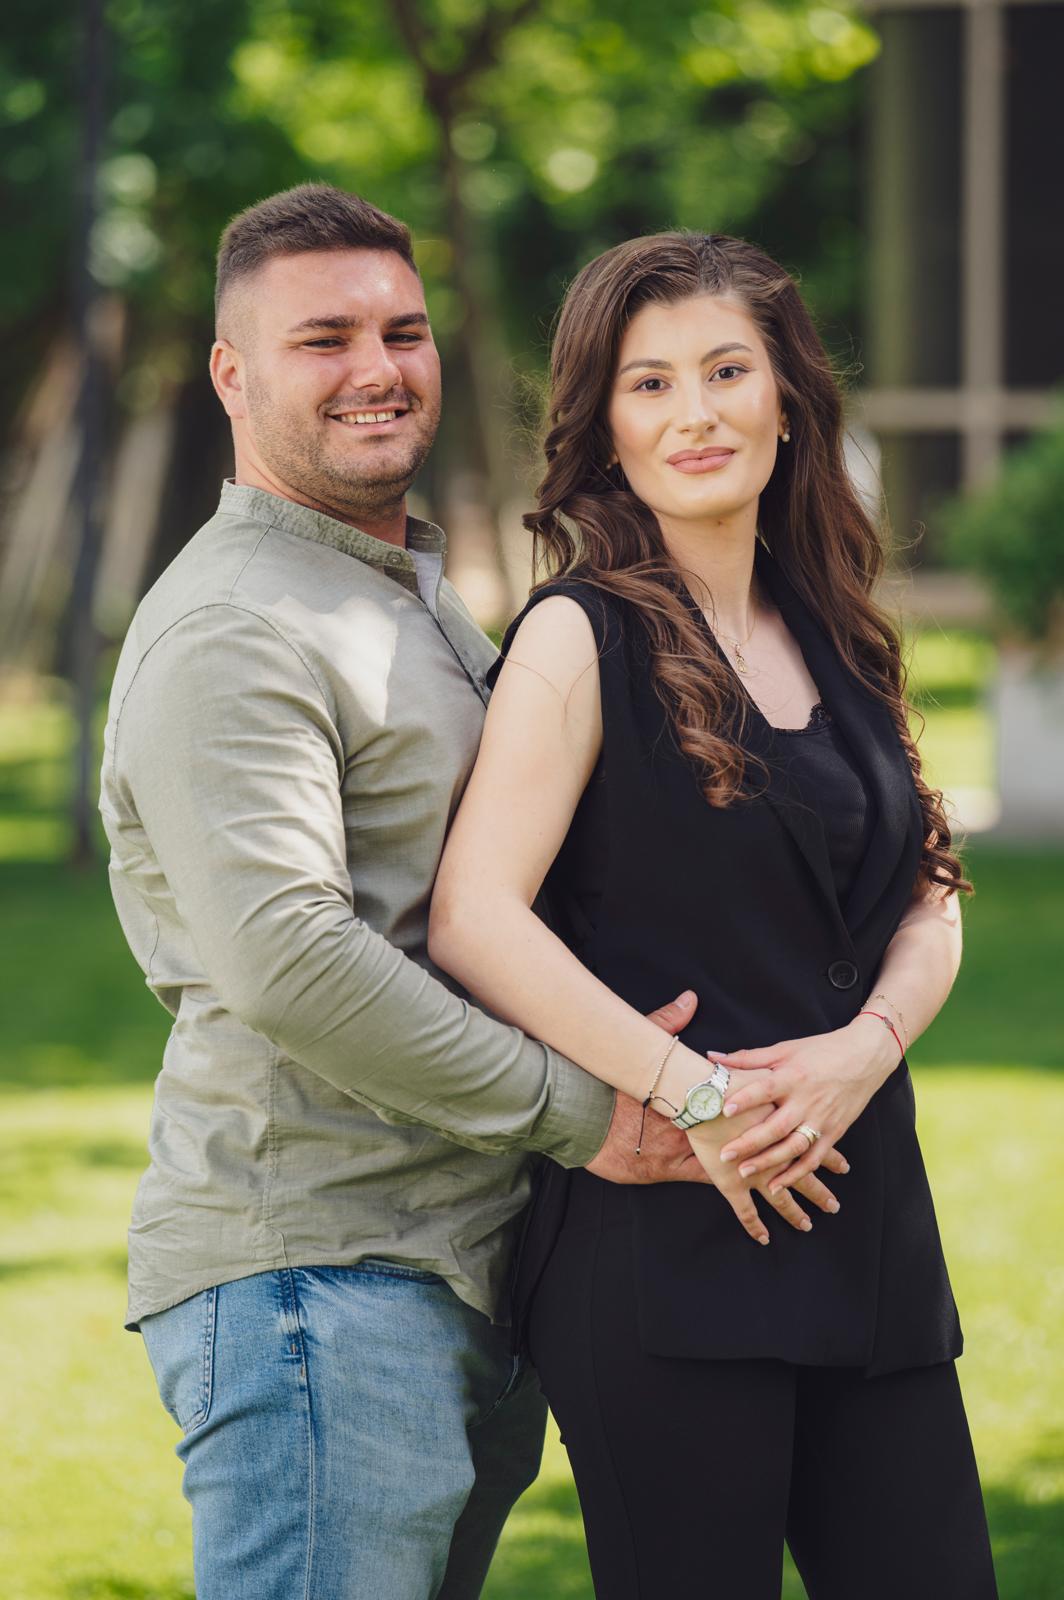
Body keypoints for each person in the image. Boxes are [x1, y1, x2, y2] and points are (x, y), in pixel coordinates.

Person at [98, 186, 845, 1600]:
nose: (377, 369)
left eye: (404, 331)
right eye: (324, 339)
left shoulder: (396, 590)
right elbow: (289, 958)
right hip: (320, 1278)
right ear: (231, 374)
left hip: (457, 1264)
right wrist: (593, 1115)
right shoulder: (234, 626)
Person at [429, 231, 999, 1598]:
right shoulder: (577, 636)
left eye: (728, 370)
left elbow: (930, 894)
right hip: (667, 1250)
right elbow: (474, 917)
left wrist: (866, 1050)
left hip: (870, 1240)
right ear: (606, 428)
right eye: (650, 384)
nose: (695, 413)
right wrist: (694, 1095)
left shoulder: (843, 629)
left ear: (787, 398)